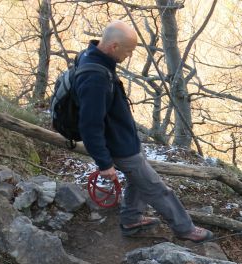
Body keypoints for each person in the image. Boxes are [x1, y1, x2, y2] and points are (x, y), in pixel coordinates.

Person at [75, 20, 213, 243]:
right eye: (128, 51)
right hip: (118, 145)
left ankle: (131, 219)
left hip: (124, 139)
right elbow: (89, 125)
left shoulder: (91, 56)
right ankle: (185, 228)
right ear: (113, 46)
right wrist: (104, 163)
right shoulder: (95, 78)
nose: (129, 56)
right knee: (156, 188)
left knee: (138, 179)